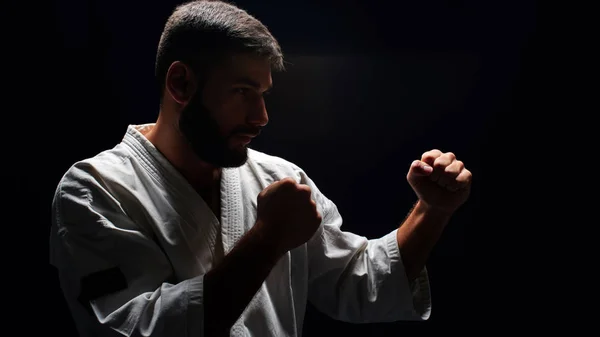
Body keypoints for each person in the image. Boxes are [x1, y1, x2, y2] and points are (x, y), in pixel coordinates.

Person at [49, 1, 472, 336]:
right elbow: (137, 329)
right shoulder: (96, 189)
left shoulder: (278, 180)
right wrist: (267, 239)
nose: (261, 116)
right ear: (180, 84)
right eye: (242, 92)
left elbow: (361, 285)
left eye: (264, 93)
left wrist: (432, 211)